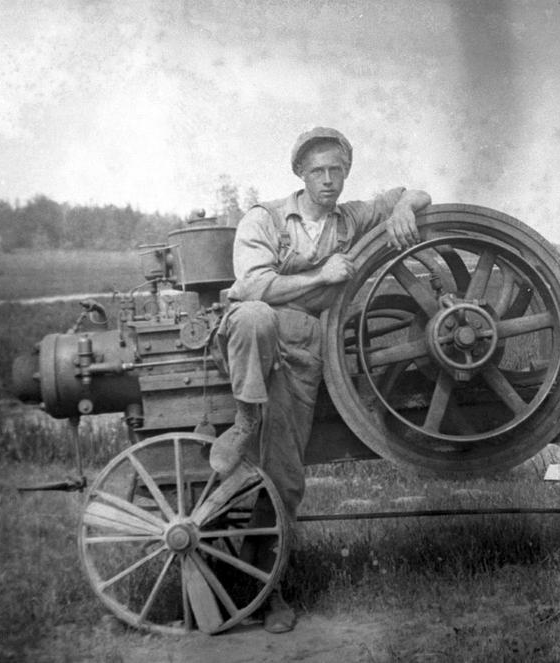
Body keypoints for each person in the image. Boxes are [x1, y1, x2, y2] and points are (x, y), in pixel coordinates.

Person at [209, 126, 431, 633]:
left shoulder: (350, 218)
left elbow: (415, 194)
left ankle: (268, 593)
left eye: (337, 170)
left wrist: (401, 211)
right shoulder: (263, 219)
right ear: (300, 175)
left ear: (345, 173)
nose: (328, 180)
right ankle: (244, 421)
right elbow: (251, 284)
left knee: (284, 476)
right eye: (318, 171)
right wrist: (321, 277)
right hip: (253, 344)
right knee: (254, 314)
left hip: (307, 351)